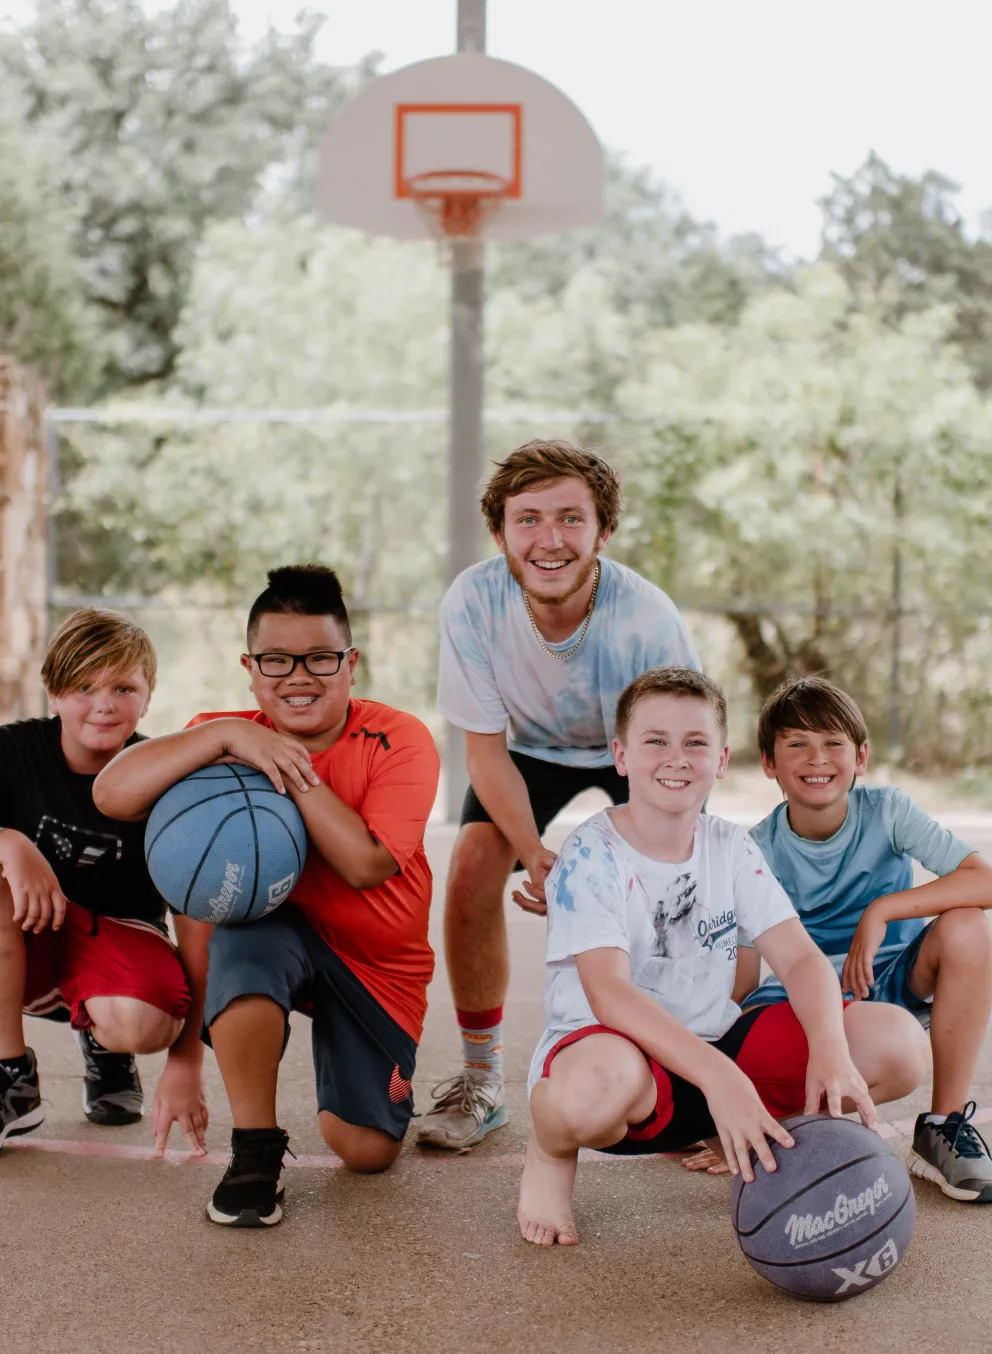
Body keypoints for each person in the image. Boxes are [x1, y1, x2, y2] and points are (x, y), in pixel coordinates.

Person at [517, 667, 929, 1246]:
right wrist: (722, 1080)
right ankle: (551, 1152)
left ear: (721, 757)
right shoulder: (592, 852)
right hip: (621, 1059)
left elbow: (801, 960)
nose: (676, 758)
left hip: (718, 1049)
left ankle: (770, 1140)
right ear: (621, 755)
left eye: (695, 743)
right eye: (655, 741)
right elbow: (609, 995)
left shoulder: (729, 845)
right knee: (593, 1089)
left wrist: (831, 1052)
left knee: (898, 1044)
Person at [94, 565, 440, 1227]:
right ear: (250, 668)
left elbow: (367, 865)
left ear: (351, 663)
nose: (299, 677)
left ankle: (356, 1066)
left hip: (376, 964)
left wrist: (283, 758)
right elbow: (112, 794)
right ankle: (254, 1151)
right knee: (239, 924)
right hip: (274, 935)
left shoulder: (400, 739)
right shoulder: (221, 730)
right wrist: (226, 737)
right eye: (277, 660)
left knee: (363, 1149)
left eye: (319, 658)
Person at [418, 439, 699, 1151]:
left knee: (679, 891)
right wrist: (537, 856)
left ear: (603, 532)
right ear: (500, 533)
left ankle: (689, 1076)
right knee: (474, 868)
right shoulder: (474, 601)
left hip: (641, 750)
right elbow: (484, 750)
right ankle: (482, 1081)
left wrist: (610, 870)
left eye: (571, 519)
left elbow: (677, 753)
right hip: (528, 751)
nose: (550, 539)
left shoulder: (647, 618)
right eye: (530, 519)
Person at [736, 675, 992, 1203]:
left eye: (833, 742)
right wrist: (723, 1097)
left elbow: (983, 880)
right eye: (796, 744)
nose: (817, 758)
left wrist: (883, 910)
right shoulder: (754, 850)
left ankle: (940, 1128)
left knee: (969, 925)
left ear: (861, 756)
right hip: (803, 1003)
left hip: (891, 979)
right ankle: (791, 1126)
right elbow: (737, 985)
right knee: (873, 1047)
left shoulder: (888, 811)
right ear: (769, 763)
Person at [0, 609, 201, 1150]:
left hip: (115, 936)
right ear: (53, 694)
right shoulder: (14, 751)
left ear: (148, 695)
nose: (104, 703)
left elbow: (196, 920)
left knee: (143, 1023)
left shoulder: (164, 776)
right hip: (25, 934)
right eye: (83, 686)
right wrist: (9, 841)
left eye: (123, 686)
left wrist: (187, 1062)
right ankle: (10, 1074)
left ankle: (107, 1047)